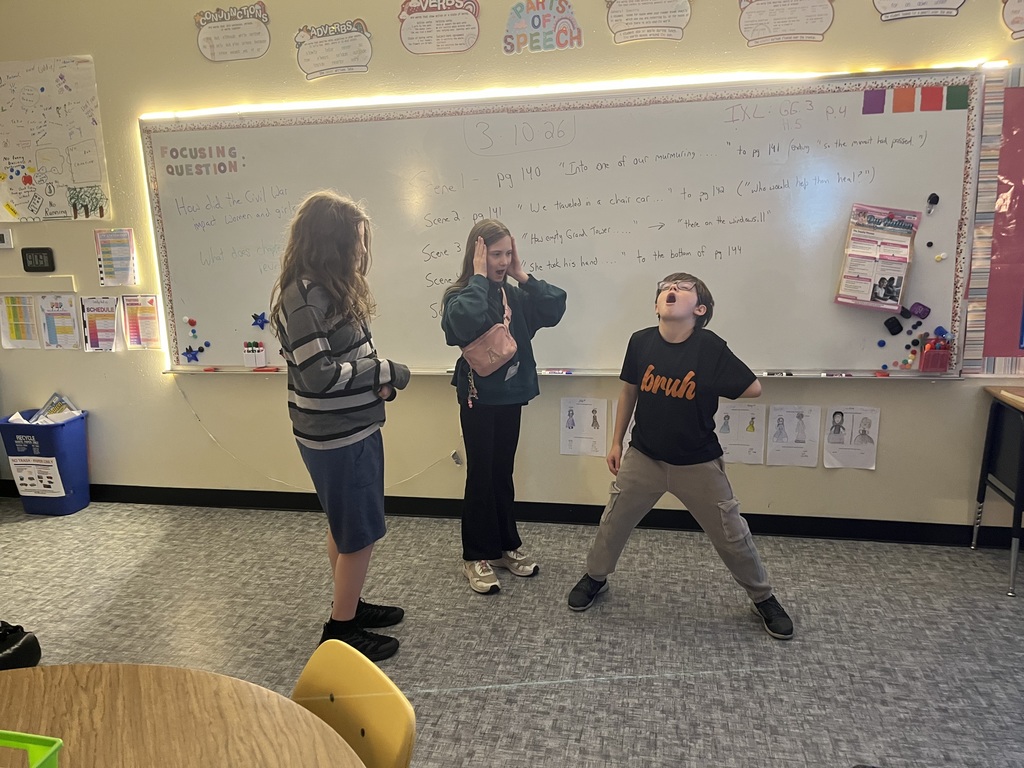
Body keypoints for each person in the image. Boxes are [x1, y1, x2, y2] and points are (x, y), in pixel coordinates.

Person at [566, 272, 794, 640]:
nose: (670, 291)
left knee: (732, 534)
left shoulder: (710, 347)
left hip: (697, 462)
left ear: (699, 309)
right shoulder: (640, 342)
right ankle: (596, 577)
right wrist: (615, 442)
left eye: (682, 288)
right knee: (614, 521)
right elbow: (629, 393)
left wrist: (712, 379)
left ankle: (763, 597)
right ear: (657, 305)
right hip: (645, 456)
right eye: (664, 289)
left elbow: (754, 388)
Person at [270, 190, 410, 662]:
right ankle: (341, 628)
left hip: (352, 427)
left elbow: (348, 357)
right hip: (338, 436)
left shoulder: (327, 289)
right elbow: (320, 375)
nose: (362, 252)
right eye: (356, 241)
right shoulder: (304, 296)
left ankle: (348, 602)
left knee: (346, 526)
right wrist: (385, 373)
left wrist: (376, 382)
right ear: (331, 243)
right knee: (360, 532)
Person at [441, 219, 567, 594]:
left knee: (502, 472)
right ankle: (475, 555)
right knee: (480, 473)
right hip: (477, 395)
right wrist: (480, 278)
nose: (502, 261)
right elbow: (461, 324)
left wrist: (522, 275)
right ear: (478, 254)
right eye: (495, 254)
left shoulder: (516, 294)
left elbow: (555, 307)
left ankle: (503, 546)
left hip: (511, 394)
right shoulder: (462, 293)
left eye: (507, 253)